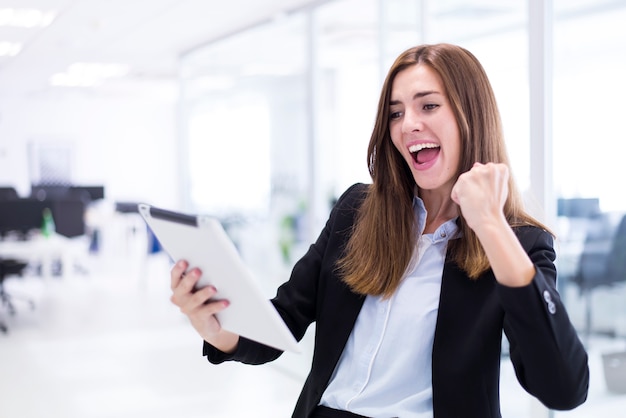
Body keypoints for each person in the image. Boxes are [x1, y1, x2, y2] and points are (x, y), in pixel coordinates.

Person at [169, 43, 589, 418]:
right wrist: (216, 329)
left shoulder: (519, 243)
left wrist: (491, 225)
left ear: (470, 116)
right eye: (396, 112)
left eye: (428, 106)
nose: (407, 125)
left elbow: (563, 388)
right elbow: (285, 319)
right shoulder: (357, 210)